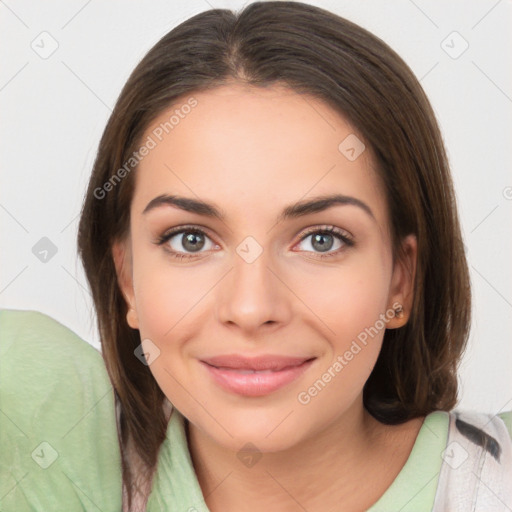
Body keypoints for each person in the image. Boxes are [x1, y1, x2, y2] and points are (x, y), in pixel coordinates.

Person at [1, 2, 510, 511]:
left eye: (321, 240)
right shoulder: (46, 440)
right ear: (127, 276)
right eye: (190, 239)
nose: (250, 308)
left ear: (401, 280)